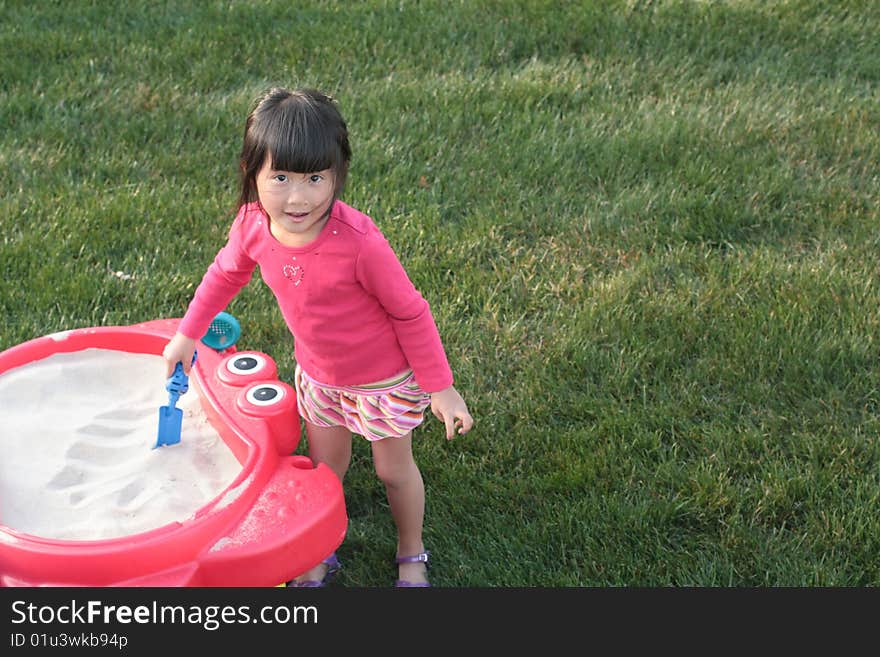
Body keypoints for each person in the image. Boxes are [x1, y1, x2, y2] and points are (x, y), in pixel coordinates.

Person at [162, 87, 473, 587]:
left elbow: (411, 313)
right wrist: (187, 335)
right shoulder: (252, 226)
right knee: (326, 469)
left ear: (337, 175)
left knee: (393, 471)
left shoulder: (361, 245)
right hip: (320, 378)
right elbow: (224, 275)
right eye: (279, 178)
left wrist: (440, 386)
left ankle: (411, 551)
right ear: (252, 173)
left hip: (383, 381)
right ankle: (320, 546)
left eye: (314, 178)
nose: (298, 197)